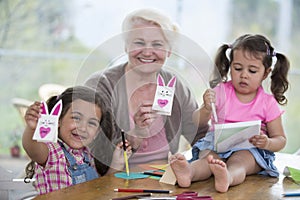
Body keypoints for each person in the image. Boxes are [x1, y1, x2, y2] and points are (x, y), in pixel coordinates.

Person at [84, 8, 207, 169]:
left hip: (163, 177)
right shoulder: (101, 85)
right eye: (139, 43)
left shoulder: (176, 86)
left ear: (169, 50)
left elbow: (199, 134)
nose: (148, 52)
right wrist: (135, 134)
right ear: (126, 46)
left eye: (157, 44)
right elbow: (89, 147)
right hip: (111, 178)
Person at [170, 34, 290, 192]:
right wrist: (206, 108)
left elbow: (280, 139)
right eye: (238, 68)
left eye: (252, 70)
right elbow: (197, 122)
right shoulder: (220, 92)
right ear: (230, 65)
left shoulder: (267, 102)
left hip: (250, 149)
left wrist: (267, 143)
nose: (244, 75)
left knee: (240, 162)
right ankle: (188, 172)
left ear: (266, 73)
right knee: (207, 159)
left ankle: (227, 176)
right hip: (217, 144)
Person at [22, 86, 131, 195]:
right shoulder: (52, 151)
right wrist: (31, 129)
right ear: (58, 119)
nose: (83, 128)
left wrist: (116, 164)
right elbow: (31, 147)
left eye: (92, 123)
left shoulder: (87, 155)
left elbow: (101, 187)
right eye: (76, 118)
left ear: (97, 133)